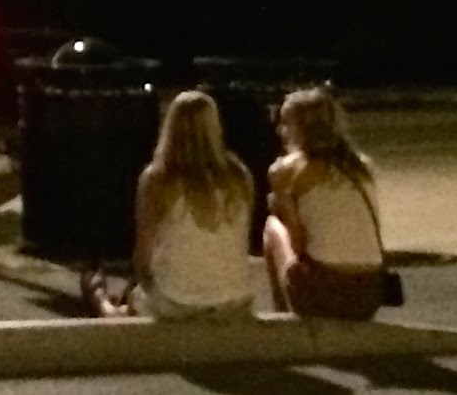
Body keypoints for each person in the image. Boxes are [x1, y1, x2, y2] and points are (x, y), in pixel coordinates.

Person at [80, 91, 256, 320]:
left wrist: (135, 286)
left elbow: (143, 257)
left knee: (126, 303)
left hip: (177, 301)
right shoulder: (240, 177)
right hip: (234, 299)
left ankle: (100, 299)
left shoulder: (158, 180)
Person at [262, 88, 386, 321]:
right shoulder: (363, 166)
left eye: (285, 123)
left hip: (322, 295)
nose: (279, 131)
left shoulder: (287, 170)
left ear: (300, 128)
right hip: (369, 293)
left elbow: (298, 244)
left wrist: (283, 203)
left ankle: (283, 314)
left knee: (272, 228)